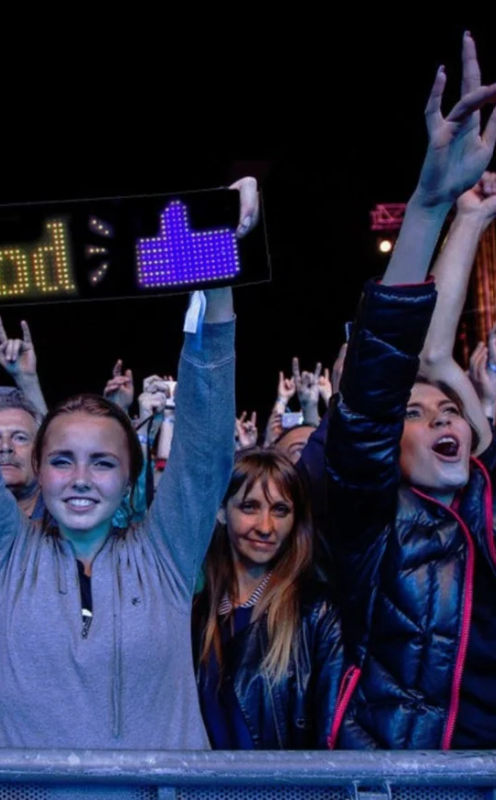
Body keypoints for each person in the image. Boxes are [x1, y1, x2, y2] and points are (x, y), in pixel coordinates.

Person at [0, 178, 258, 750]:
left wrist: (217, 285)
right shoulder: (3, 555)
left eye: (102, 463)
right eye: (62, 460)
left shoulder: (168, 555)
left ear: (130, 480)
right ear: (39, 471)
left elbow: (204, 449)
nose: (79, 479)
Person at [326, 33, 496, 749]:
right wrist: (430, 210)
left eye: (448, 408)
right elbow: (389, 373)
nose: (438, 417)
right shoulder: (374, 521)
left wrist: (476, 216)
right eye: (415, 414)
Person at [192, 449, 344, 749]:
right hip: (206, 794)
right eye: (250, 507)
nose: (265, 527)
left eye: (280, 510)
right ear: (222, 511)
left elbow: (331, 737)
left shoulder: (315, 611)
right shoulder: (196, 614)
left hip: (285, 794)